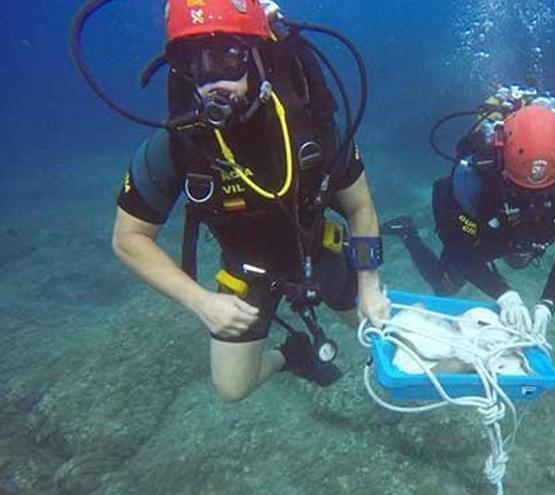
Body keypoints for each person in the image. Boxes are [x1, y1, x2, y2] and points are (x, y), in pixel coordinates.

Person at [111, 0, 390, 401]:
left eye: (228, 54)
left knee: (380, 327)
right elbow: (128, 237)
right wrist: (200, 301)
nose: (211, 79)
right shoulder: (178, 146)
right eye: (193, 60)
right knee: (232, 388)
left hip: (319, 251)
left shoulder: (312, 124)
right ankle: (292, 355)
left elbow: (359, 206)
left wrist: (370, 283)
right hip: (246, 273)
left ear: (257, 52)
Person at [382, 85, 555, 337]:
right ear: (503, 162)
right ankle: (407, 232)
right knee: (445, 286)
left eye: (543, 189)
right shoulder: (472, 181)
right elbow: (460, 250)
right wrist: (504, 294)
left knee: (520, 259)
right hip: (484, 225)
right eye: (521, 188)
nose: (532, 196)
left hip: (522, 230)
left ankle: (517, 252)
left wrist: (548, 303)